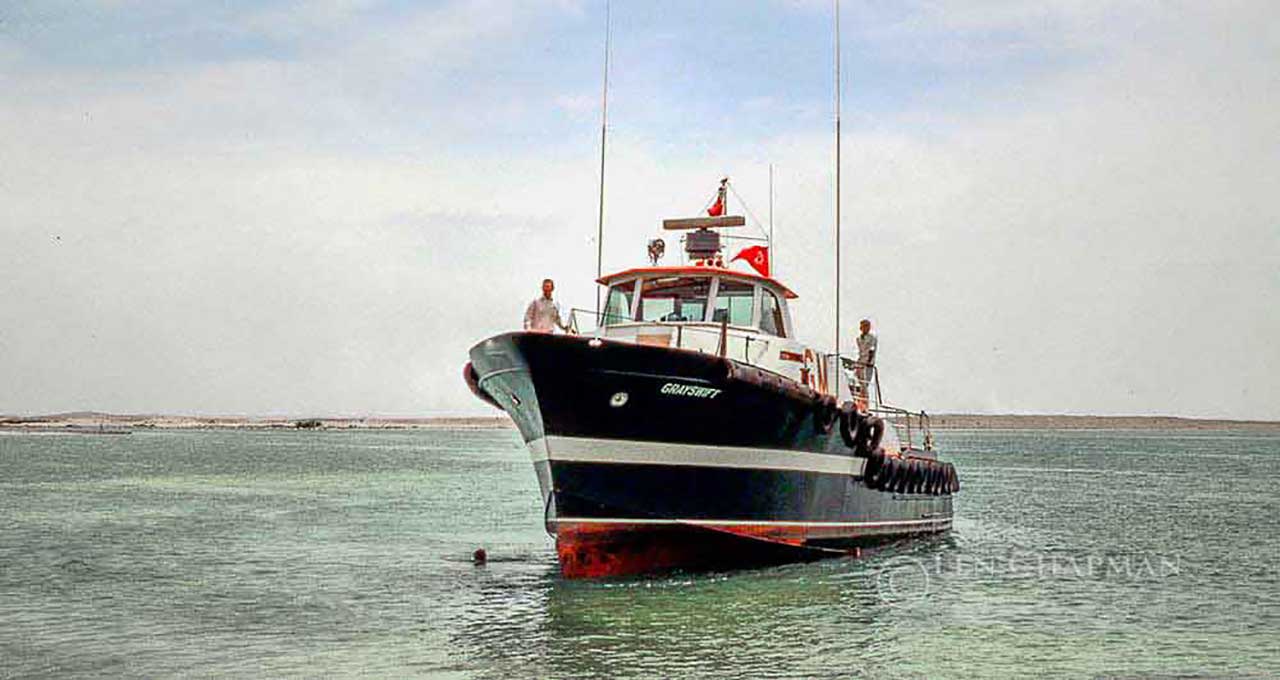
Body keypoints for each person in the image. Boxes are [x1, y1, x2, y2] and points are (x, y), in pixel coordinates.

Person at [854, 318, 878, 393]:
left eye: (867, 326)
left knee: (865, 382)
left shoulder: (872, 337)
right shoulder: (858, 339)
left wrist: (869, 361)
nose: (866, 328)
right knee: (858, 379)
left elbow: (872, 349)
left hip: (868, 363)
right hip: (861, 361)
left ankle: (864, 395)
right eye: (864, 326)